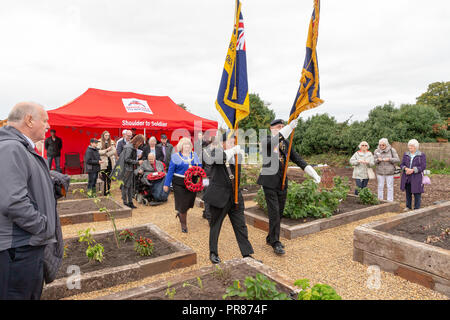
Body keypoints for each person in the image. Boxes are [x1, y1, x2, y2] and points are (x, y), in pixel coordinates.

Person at [0, 102, 60, 300]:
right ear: (29, 120)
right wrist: (43, 226)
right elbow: (13, 202)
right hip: (18, 250)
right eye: (45, 120)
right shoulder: (11, 149)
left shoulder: (21, 149)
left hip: (25, 246)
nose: (48, 126)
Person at [257, 119, 321, 255]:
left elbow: (297, 159)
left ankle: (270, 237)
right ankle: (275, 242)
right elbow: (275, 140)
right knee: (274, 212)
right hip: (269, 182)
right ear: (271, 128)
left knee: (279, 212)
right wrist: (288, 128)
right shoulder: (266, 140)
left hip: (282, 182)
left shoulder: (286, 143)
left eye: (283, 126)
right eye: (279, 127)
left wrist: (312, 172)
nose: (281, 128)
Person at [203, 132, 256, 264]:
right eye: (231, 142)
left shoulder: (236, 157)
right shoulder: (215, 152)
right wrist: (232, 150)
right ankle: (213, 252)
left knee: (240, 226)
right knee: (216, 225)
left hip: (235, 196)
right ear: (223, 143)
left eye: (235, 142)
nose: (234, 145)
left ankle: (247, 254)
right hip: (219, 196)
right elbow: (216, 160)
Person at [163, 137, 201, 233]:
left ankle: (180, 213)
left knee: (189, 203)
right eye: (185, 144)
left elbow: (199, 166)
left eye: (188, 144)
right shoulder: (175, 156)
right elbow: (170, 171)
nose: (187, 146)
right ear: (181, 146)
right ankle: (184, 225)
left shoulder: (195, 155)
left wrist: (198, 172)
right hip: (179, 183)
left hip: (192, 181)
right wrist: (166, 184)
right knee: (183, 204)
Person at [112, 134, 145, 208]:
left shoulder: (131, 146)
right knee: (125, 186)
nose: (141, 144)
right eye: (141, 142)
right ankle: (125, 202)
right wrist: (137, 162)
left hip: (129, 169)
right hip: (126, 169)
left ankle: (130, 202)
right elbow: (127, 159)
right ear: (138, 141)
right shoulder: (129, 147)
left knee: (130, 186)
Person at [400, 139, 426, 211]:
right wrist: (405, 169)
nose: (410, 147)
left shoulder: (421, 155)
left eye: (412, 146)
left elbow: (423, 166)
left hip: (417, 177)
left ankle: (416, 208)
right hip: (407, 176)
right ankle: (408, 206)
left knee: (417, 192)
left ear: (416, 147)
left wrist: (413, 170)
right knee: (408, 192)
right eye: (409, 146)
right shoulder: (406, 154)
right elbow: (402, 164)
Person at [97, 131, 117, 196]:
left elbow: (114, 151)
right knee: (103, 177)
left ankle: (108, 191)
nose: (107, 137)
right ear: (103, 136)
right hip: (103, 163)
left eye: (108, 135)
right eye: (106, 135)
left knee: (109, 178)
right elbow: (98, 152)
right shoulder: (99, 142)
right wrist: (106, 150)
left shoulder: (111, 142)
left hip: (110, 162)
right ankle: (104, 191)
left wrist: (107, 154)